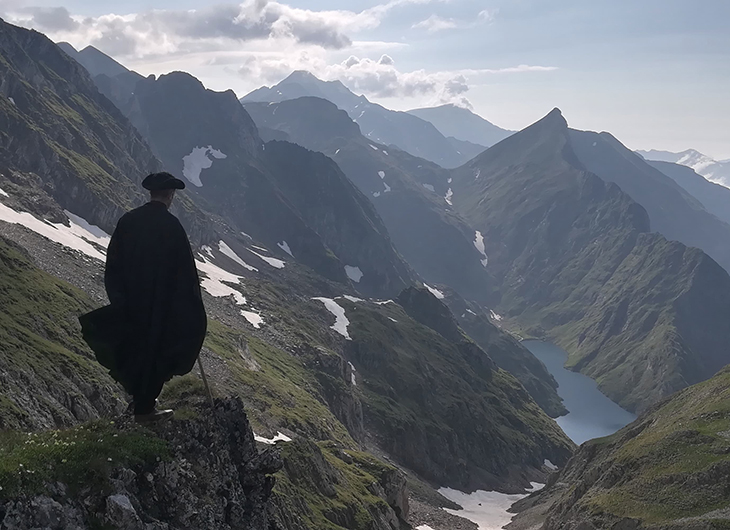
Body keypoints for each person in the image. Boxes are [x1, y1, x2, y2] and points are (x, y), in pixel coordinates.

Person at [80, 172, 207, 422]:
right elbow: (185, 274)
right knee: (158, 352)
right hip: (160, 306)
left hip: (132, 302)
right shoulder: (172, 227)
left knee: (135, 348)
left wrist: (119, 298)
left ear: (150, 193)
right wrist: (190, 307)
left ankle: (141, 402)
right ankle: (145, 408)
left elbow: (113, 263)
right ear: (170, 196)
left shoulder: (129, 220)